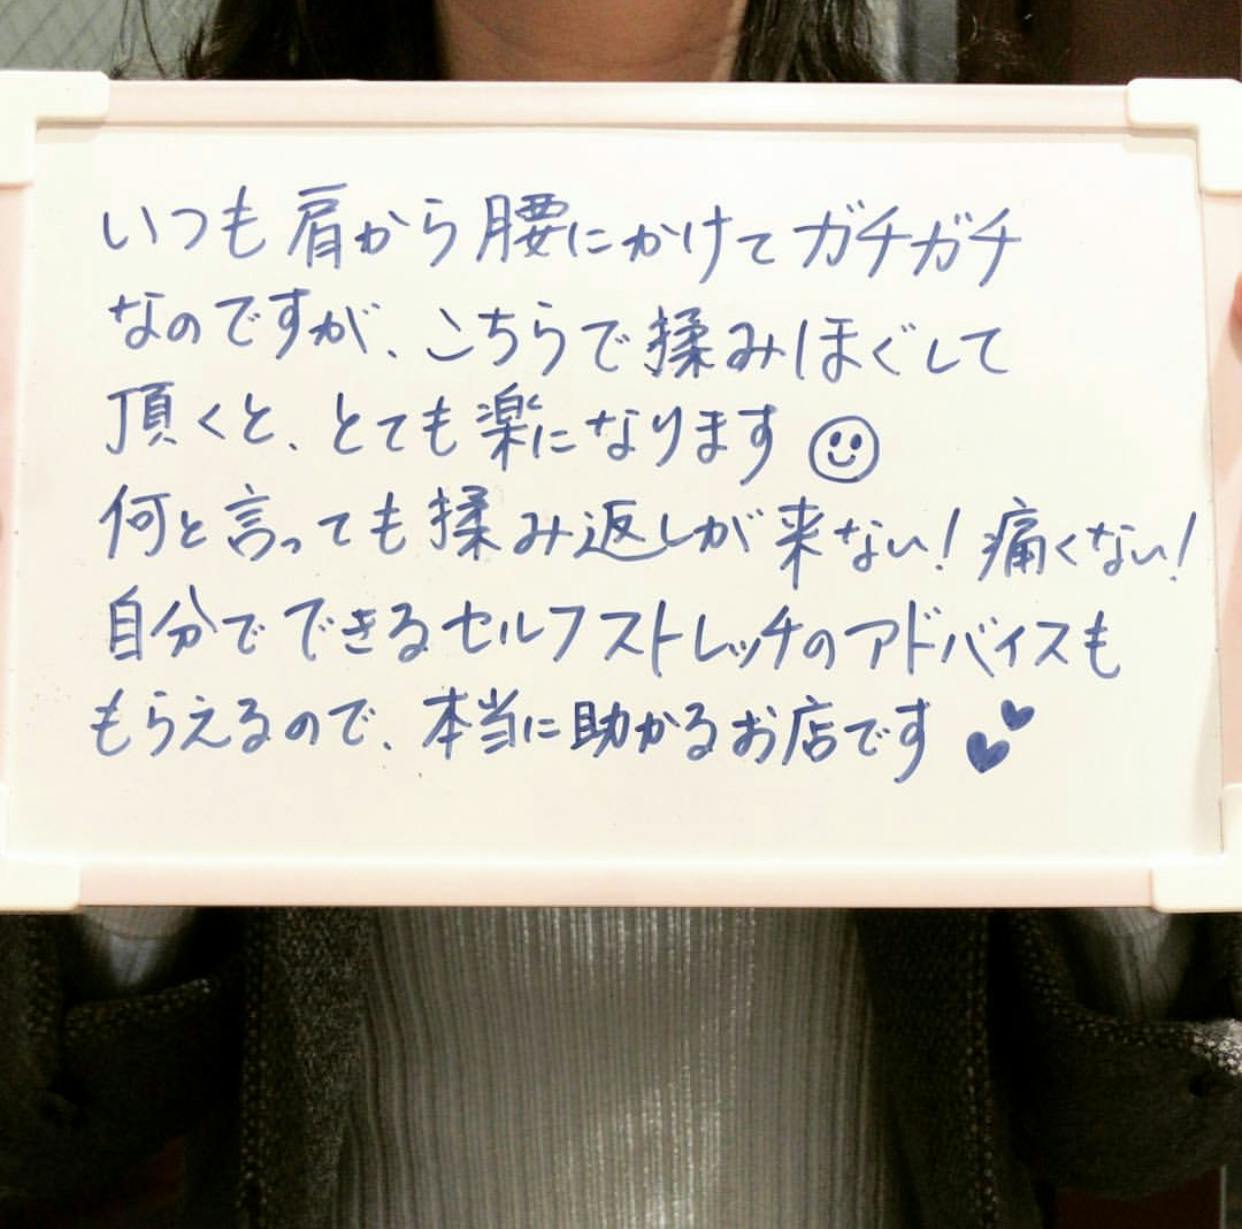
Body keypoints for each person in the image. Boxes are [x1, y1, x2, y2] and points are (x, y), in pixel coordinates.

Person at [4, 2, 1242, 1226]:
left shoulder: (1017, 277)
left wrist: (1173, 621)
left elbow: (1141, 1122)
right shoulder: (182, 262)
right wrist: (95, 625)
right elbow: (53, 1120)